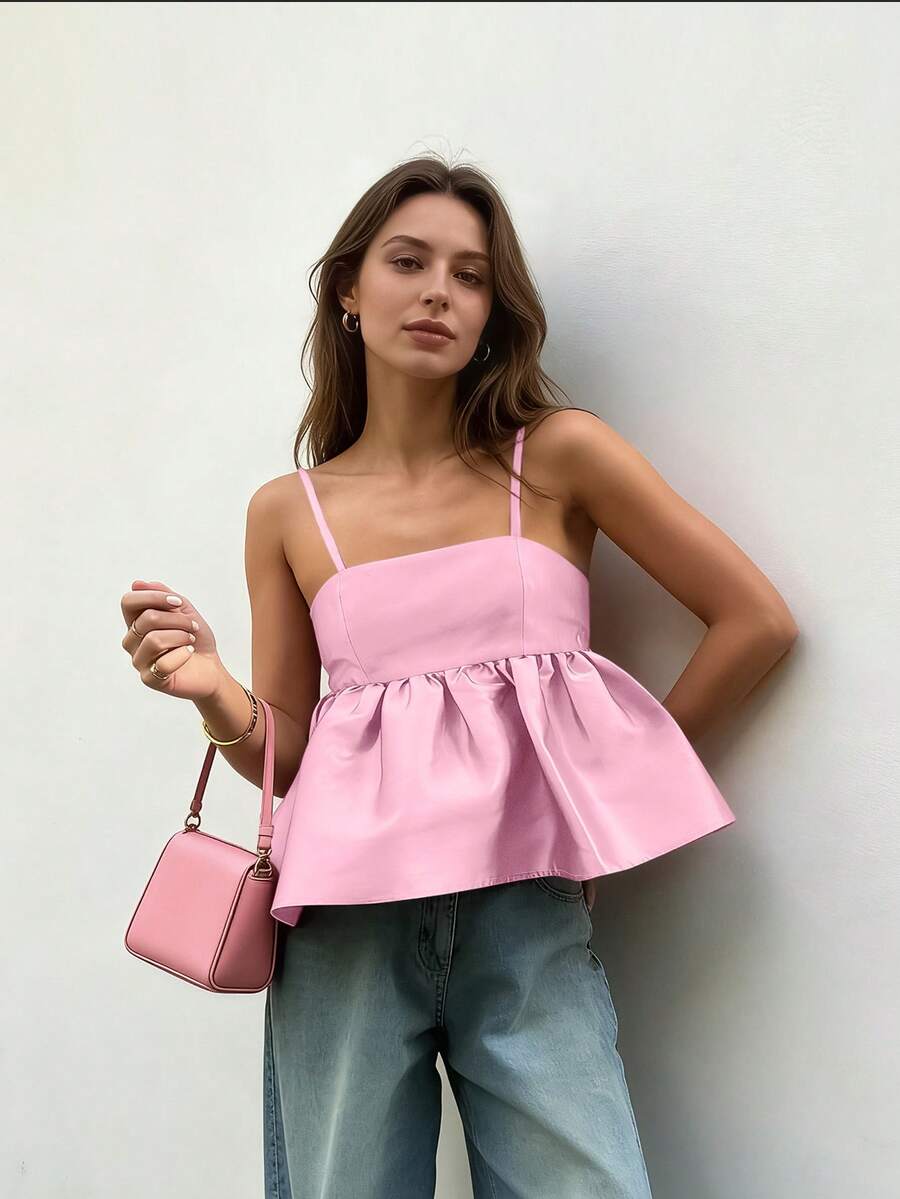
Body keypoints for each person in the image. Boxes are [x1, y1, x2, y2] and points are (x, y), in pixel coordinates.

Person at [121, 155, 799, 1199]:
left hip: (524, 906)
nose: (440, 291)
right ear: (349, 291)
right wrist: (214, 691)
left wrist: (608, 802)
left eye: (470, 275)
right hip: (343, 922)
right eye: (409, 261)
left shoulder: (560, 457)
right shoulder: (288, 511)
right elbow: (290, 756)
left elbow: (756, 622)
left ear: (492, 311)